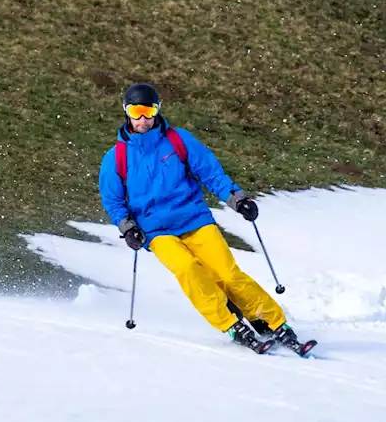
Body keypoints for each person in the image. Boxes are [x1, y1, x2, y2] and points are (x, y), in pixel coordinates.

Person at [98, 82, 302, 352]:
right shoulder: (116, 158)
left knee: (227, 274)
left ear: (157, 110)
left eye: (149, 110)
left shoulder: (178, 141)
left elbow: (210, 173)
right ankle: (229, 323)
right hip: (156, 232)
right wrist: (128, 227)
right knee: (188, 269)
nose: (143, 119)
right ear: (127, 112)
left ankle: (273, 322)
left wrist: (237, 200)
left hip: (194, 219)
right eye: (137, 111)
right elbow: (113, 201)